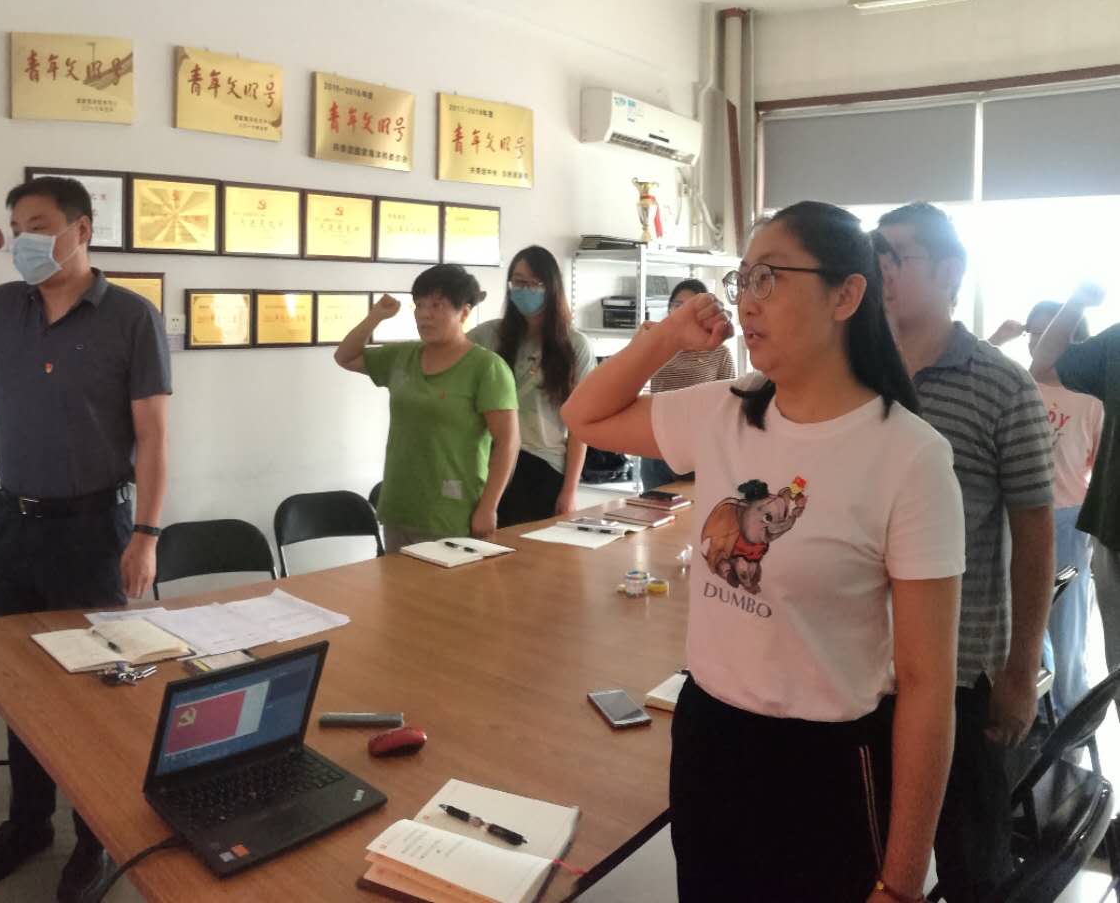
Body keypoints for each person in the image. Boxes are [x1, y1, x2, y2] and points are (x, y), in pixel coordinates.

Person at [562, 201, 963, 903]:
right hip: (710, 737)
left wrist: (901, 882)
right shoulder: (728, 407)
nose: (747, 302)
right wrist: (668, 336)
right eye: (742, 280)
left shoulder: (909, 456)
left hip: (827, 766)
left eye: (769, 279)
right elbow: (583, 415)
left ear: (846, 295)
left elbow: (928, 685)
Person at [0, 175, 172, 900]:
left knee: (95, 690)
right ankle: (29, 820)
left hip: (94, 529)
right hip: (15, 525)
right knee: (22, 686)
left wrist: (146, 535)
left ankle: (95, 837)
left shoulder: (131, 316)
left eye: (38, 225)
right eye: (16, 227)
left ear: (81, 230)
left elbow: (154, 437)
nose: (24, 239)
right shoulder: (3, 307)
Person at [874, 202, 1054, 902]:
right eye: (876, 256)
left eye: (898, 256)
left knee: (970, 865)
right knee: (864, 853)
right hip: (861, 667)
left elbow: (1033, 535)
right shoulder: (854, 374)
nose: (882, 270)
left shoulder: (1002, 384)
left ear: (950, 271)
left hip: (959, 671)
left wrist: (1019, 672)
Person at [333, 264, 517, 549]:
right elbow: (345, 357)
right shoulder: (402, 355)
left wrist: (489, 506)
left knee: (450, 580)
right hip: (401, 507)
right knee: (396, 579)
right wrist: (376, 316)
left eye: (436, 305)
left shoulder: (486, 367)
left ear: (464, 312)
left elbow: (508, 442)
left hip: (453, 511)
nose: (424, 314)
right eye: (419, 305)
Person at [994, 301, 1104, 716]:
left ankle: (1072, 710)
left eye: (1047, 332)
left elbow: (1096, 462)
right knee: (1023, 616)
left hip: (1068, 518)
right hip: (1015, 516)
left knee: (1067, 620)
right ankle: (1038, 711)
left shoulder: (1092, 398)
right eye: (1033, 332)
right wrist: (997, 339)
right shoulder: (1019, 385)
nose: (1037, 341)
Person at [1030, 282, 1119, 704]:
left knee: (1069, 624)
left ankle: (1069, 707)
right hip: (1111, 527)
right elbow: (1044, 361)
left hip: (1081, 517)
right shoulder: (1115, 344)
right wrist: (1077, 302)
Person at [469, 246, 594, 525]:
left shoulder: (574, 345)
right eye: (518, 282)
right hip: (492, 462)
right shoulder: (489, 335)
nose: (524, 290)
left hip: (543, 466)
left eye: (533, 284)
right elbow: (449, 350)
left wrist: (570, 490)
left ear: (551, 287)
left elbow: (580, 426)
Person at [641, 278, 738, 490]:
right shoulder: (658, 345)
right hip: (656, 446)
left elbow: (728, 406)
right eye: (677, 305)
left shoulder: (720, 353)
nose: (682, 312)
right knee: (652, 506)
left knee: (695, 506)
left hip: (698, 448)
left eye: (691, 307)